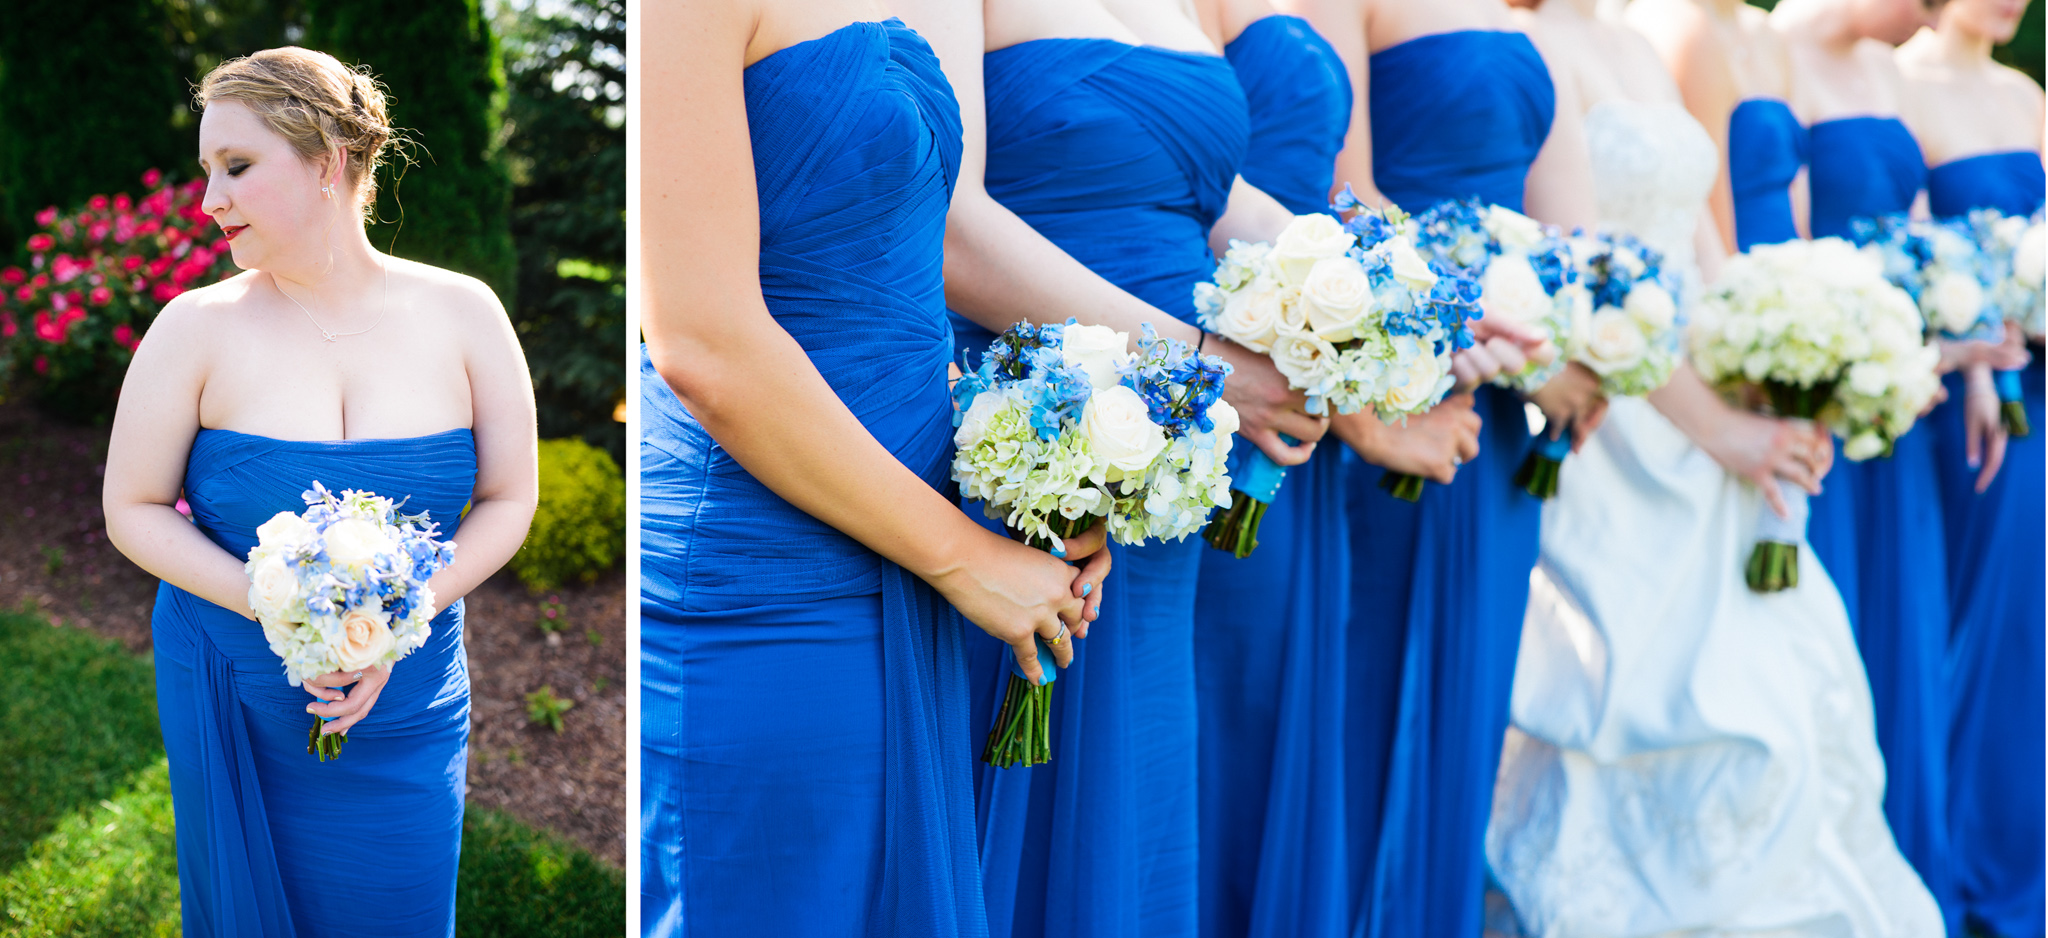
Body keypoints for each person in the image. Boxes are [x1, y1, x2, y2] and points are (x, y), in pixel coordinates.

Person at [635, 3, 1109, 934]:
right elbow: (703, 341)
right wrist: (964, 559)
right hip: (773, 564)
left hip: (909, 547)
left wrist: (1029, 471)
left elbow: (901, 281)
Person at [1483, 2, 1942, 933]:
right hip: (1614, 413)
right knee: (1638, 688)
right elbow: (1585, 269)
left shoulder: (1631, 45)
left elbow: (1700, 243)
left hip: (1703, 393)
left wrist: (1788, 349)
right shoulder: (1522, 41)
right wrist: (1719, 431)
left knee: (1779, 676)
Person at [101, 48, 539, 938]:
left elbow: (508, 500)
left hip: (408, 693)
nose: (208, 199)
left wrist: (398, 619)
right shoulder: (193, 329)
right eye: (206, 172)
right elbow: (132, 509)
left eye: (236, 167)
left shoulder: (466, 314)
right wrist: (279, 603)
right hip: (234, 684)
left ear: (329, 159)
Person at [1290, 0, 1598, 932]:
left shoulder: (1527, 22)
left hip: (1501, 408)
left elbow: (1573, 239)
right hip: (1403, 383)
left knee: (1467, 710)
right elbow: (1340, 193)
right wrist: (1464, 304)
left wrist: (1578, 340)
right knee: (1375, 695)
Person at [1772, 0, 1963, 923]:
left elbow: (1925, 240)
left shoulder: (1891, 75)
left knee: (1908, 615)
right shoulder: (1770, 55)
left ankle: (1913, 852)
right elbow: (1784, 235)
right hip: (1817, 379)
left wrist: (1941, 333)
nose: (1928, 14)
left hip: (1903, 387)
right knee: (1835, 611)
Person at [1897, 2, 2046, 933]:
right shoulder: (1895, 83)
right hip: (1940, 397)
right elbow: (1904, 242)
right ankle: (1932, 856)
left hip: (2031, 394)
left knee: (2017, 638)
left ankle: (2008, 872)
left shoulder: (2027, 93)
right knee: (1937, 619)